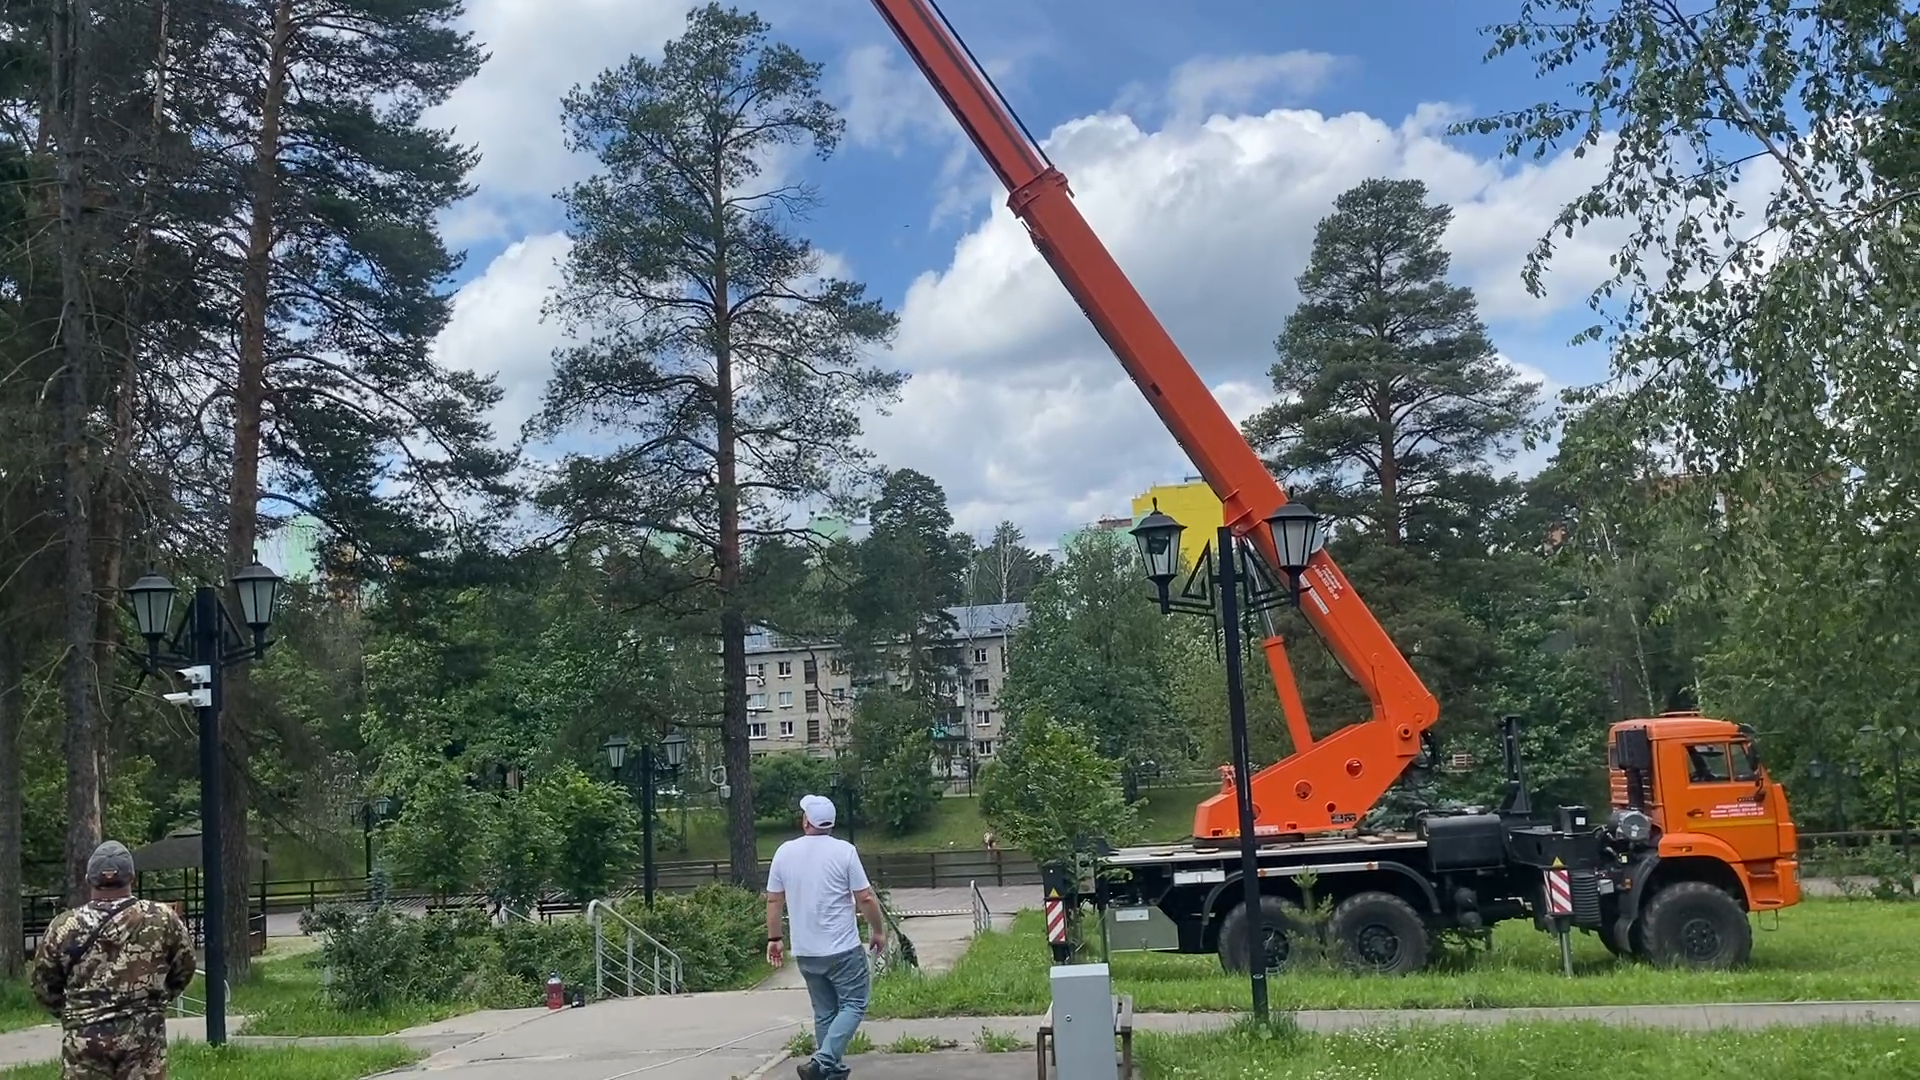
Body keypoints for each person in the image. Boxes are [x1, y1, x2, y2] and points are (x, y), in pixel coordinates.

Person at [31, 841, 197, 1080]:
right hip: (143, 1042)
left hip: (84, 1045)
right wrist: (154, 1002)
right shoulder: (162, 919)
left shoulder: (64, 926)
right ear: (132, 878)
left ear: (89, 879)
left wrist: (77, 1013)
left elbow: (43, 984)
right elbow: (185, 967)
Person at [765, 794, 885, 1080]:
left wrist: (775, 938)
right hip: (842, 948)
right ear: (830, 823)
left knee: (824, 1012)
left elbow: (774, 900)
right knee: (854, 1003)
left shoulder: (784, 852)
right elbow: (866, 897)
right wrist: (878, 930)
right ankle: (824, 1061)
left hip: (806, 950)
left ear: (806, 821)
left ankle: (831, 1072)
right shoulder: (845, 851)